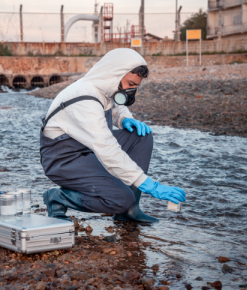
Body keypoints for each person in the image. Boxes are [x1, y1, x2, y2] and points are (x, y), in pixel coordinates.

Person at [40, 48, 185, 223]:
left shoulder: (103, 88)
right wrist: (148, 184)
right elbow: (107, 149)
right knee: (120, 199)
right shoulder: (83, 98)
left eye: (135, 87)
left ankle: (129, 211)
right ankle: (58, 197)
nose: (131, 91)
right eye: (130, 84)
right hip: (64, 159)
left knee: (141, 137)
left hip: (87, 149)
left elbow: (115, 106)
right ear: (114, 75)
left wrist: (124, 119)